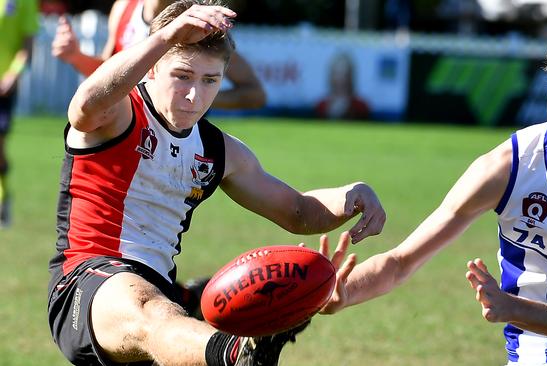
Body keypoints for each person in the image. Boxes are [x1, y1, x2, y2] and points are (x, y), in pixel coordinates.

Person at [47, 1, 386, 365]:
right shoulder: (120, 114)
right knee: (150, 311)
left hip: (162, 296)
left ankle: (204, 316)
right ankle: (237, 353)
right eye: (182, 76)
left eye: (210, 81)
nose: (195, 96)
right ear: (154, 68)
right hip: (87, 282)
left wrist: (352, 196)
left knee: (164, 309)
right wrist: (165, 36)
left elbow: (299, 210)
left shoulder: (218, 150)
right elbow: (83, 107)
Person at [322, 23, 547, 365]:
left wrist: (511, 307)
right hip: (534, 354)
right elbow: (401, 261)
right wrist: (344, 293)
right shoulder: (506, 167)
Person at [51, 0, 266, 110]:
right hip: (124, 129)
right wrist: (76, 56)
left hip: (174, 144)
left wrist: (193, 96)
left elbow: (255, 94)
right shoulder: (125, 7)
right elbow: (109, 70)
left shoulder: (197, 22)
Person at [0, 0, 39, 228]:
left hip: (3, 89)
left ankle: (3, 197)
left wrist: (13, 74)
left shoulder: (25, 2)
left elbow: (27, 46)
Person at [315, 52, 370, 120]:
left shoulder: (361, 107)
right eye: (337, 74)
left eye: (345, 74)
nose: (341, 79)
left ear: (351, 77)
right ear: (331, 76)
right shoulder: (321, 106)